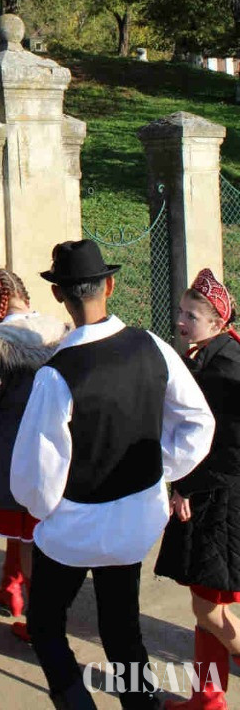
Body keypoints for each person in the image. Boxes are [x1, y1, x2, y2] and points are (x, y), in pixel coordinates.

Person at [10, 239, 215, 710]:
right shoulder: (153, 347)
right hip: (135, 519)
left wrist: (47, 509)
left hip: (76, 526)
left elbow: (38, 475)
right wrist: (157, 468)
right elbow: (198, 423)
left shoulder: (57, 374)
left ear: (59, 295)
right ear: (110, 286)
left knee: (45, 623)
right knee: (122, 628)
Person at [0, 268, 69, 642]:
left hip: (10, 447)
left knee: (26, 534)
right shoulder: (57, 330)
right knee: (30, 527)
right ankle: (11, 586)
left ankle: (40, 619)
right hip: (51, 442)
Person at [154, 268, 240, 710]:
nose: (181, 321)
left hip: (218, 502)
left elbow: (227, 450)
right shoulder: (212, 355)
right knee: (211, 601)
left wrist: (185, 487)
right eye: (181, 312)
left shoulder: (223, 368)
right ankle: (207, 697)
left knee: (207, 607)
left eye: (191, 315)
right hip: (213, 496)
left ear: (216, 322)